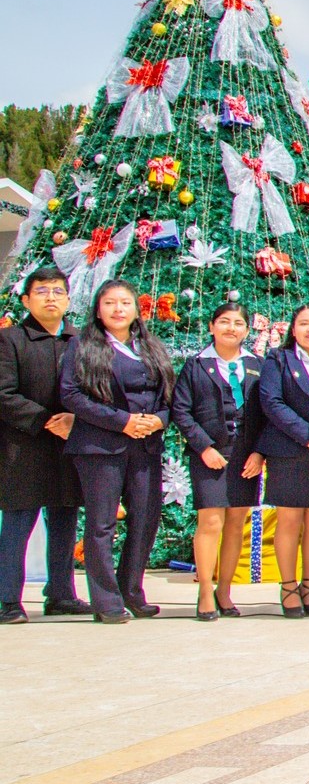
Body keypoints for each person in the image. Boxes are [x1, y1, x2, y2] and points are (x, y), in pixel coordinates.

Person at [58, 280, 174, 623]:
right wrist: (122, 421)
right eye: (110, 303)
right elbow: (72, 395)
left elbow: (171, 396)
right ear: (98, 309)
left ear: (137, 310)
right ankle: (106, 601)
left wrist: (158, 420)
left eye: (125, 303)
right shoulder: (82, 346)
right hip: (100, 447)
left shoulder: (151, 346)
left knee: (145, 518)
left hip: (146, 445)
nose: (118, 309)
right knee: (101, 523)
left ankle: (132, 591)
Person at [0, 266, 89, 623]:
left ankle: (61, 594)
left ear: (68, 299)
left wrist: (76, 421)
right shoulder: (9, 341)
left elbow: (95, 391)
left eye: (57, 291)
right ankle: (7, 599)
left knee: (65, 521)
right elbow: (3, 393)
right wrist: (46, 421)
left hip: (70, 447)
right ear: (26, 299)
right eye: (42, 292)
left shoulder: (81, 342)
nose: (50, 298)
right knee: (18, 525)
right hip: (23, 448)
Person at [169, 301, 263, 622]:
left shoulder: (257, 366)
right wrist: (204, 447)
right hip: (209, 456)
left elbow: (267, 414)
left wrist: (259, 453)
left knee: (236, 524)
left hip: (245, 458)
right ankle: (206, 592)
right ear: (212, 327)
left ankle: (225, 590)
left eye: (238, 323)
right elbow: (180, 411)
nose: (231, 328)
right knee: (210, 522)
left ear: (247, 331)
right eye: (224, 322)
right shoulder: (196, 366)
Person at [256, 303, 309, 619]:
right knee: (290, 519)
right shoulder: (278, 360)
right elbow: (272, 403)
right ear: (293, 329)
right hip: (290, 450)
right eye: (304, 323)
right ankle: (288, 587)